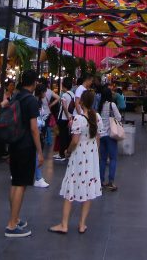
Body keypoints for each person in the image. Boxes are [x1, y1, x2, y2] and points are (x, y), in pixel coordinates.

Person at [48, 89, 101, 235]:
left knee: (70, 188)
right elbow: (97, 139)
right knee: (88, 188)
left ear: (81, 102)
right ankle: (82, 224)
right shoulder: (96, 117)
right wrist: (96, 154)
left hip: (78, 157)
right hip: (91, 157)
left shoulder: (78, 119)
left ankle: (64, 224)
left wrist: (68, 151)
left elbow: (75, 141)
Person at [5, 69, 42, 239]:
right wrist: (40, 152)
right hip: (26, 145)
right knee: (21, 184)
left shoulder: (16, 96)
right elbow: (34, 129)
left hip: (14, 143)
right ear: (34, 82)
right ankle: (11, 225)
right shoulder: (31, 100)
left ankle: (15, 217)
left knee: (15, 182)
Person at [97, 86, 122, 191]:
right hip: (111, 134)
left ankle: (100, 181)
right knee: (113, 159)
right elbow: (119, 117)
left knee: (102, 159)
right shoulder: (112, 105)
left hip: (101, 135)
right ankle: (111, 182)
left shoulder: (99, 105)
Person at [34, 83, 51, 188]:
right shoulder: (35, 102)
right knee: (35, 153)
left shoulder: (37, 101)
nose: (46, 93)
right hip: (35, 129)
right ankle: (38, 177)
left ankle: (38, 177)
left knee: (32, 154)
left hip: (37, 129)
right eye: (44, 91)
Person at [55, 77, 73, 161]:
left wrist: (67, 116)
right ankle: (67, 153)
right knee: (67, 136)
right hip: (70, 118)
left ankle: (61, 154)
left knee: (62, 136)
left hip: (63, 118)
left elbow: (65, 108)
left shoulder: (64, 95)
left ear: (64, 85)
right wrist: (70, 118)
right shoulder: (73, 94)